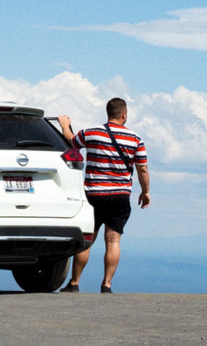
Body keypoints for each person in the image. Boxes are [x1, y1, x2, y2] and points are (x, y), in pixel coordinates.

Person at [57, 97, 151, 293]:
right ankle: (106, 285)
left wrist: (65, 124)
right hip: (120, 195)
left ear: (108, 113)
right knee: (113, 240)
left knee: (88, 239)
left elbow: (71, 140)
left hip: (94, 194)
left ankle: (74, 283)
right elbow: (142, 169)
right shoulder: (136, 139)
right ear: (124, 115)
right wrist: (145, 191)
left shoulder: (92, 133)